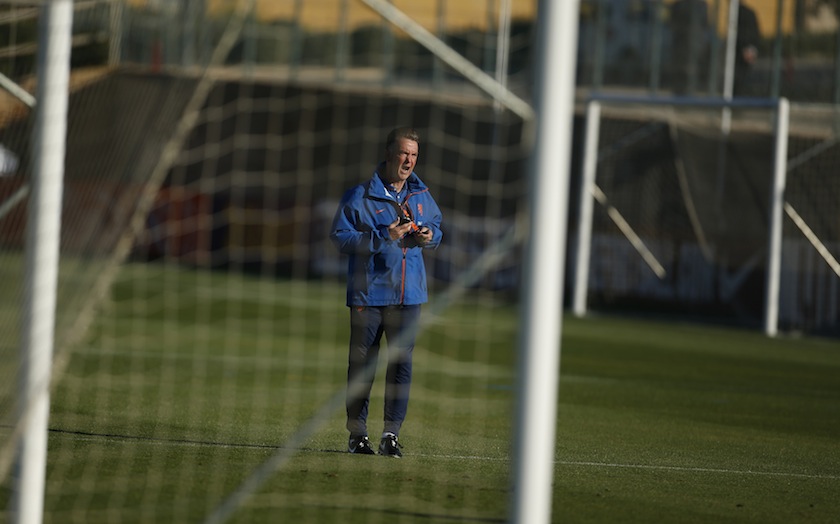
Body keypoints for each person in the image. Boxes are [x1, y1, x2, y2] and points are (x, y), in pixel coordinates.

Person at [330, 127, 443, 458]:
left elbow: (437, 228)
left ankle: (390, 435)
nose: (409, 160)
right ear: (389, 153)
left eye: (414, 155)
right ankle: (357, 435)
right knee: (362, 367)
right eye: (404, 153)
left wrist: (428, 235)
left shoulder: (421, 194)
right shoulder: (359, 196)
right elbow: (340, 238)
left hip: (410, 298)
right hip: (369, 298)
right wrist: (384, 236)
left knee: (401, 368)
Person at [734, 1, 761, 96]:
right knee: (741, 78)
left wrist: (747, 49)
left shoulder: (739, 13)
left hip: (740, 51)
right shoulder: (749, 13)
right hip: (745, 50)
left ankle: (737, 101)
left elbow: (745, 33)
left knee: (739, 78)